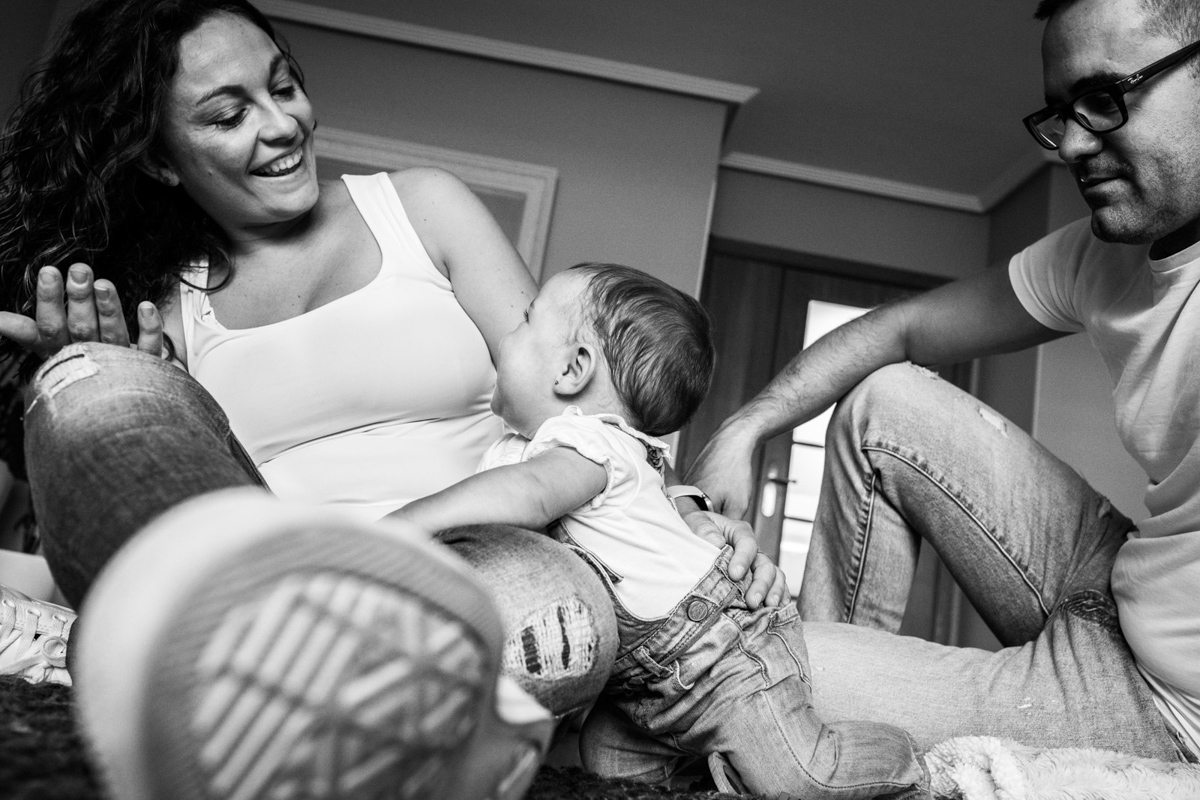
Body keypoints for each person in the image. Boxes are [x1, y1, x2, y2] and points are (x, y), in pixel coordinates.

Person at [0, 0, 786, 797]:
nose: (283, 124)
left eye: (284, 86)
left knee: (557, 623)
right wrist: (108, 373)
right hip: (274, 567)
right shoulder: (168, 302)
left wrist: (678, 514)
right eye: (230, 115)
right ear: (163, 161)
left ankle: (165, 667)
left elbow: (579, 397)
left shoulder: (422, 207)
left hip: (479, 560)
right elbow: (164, 482)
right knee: (91, 376)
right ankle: (305, 681)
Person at [686, 0, 1200, 765]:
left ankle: (809, 716)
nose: (1072, 144)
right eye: (1060, 113)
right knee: (886, 399)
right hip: (1122, 578)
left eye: (1103, 97)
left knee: (740, 664)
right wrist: (744, 428)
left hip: (1165, 700)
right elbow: (901, 329)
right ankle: (825, 736)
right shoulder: (1100, 258)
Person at [391, 261, 929, 798]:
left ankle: (922, 769)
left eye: (526, 320)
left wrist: (398, 530)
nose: (506, 333)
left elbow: (526, 496)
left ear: (573, 369)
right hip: (640, 683)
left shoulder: (589, 443)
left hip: (719, 657)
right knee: (610, 770)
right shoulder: (555, 447)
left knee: (800, 777)